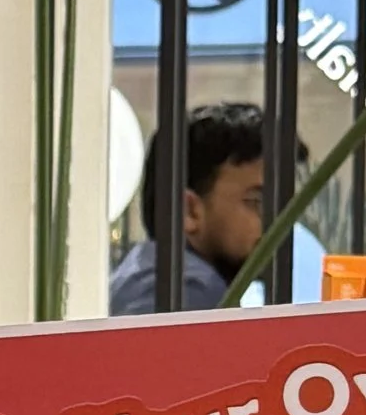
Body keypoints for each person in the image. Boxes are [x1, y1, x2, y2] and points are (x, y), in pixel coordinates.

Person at [108, 101, 276, 316]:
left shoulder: (146, 272)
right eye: (256, 202)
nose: (277, 222)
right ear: (189, 211)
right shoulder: (188, 291)